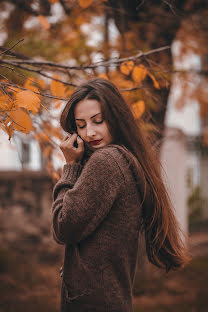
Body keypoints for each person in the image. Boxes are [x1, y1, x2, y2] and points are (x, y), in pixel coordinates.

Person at [51, 78, 190, 312]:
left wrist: (71, 167)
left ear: (115, 118)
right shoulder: (126, 159)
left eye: (98, 121)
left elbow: (63, 227)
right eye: (81, 125)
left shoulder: (107, 161)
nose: (90, 132)